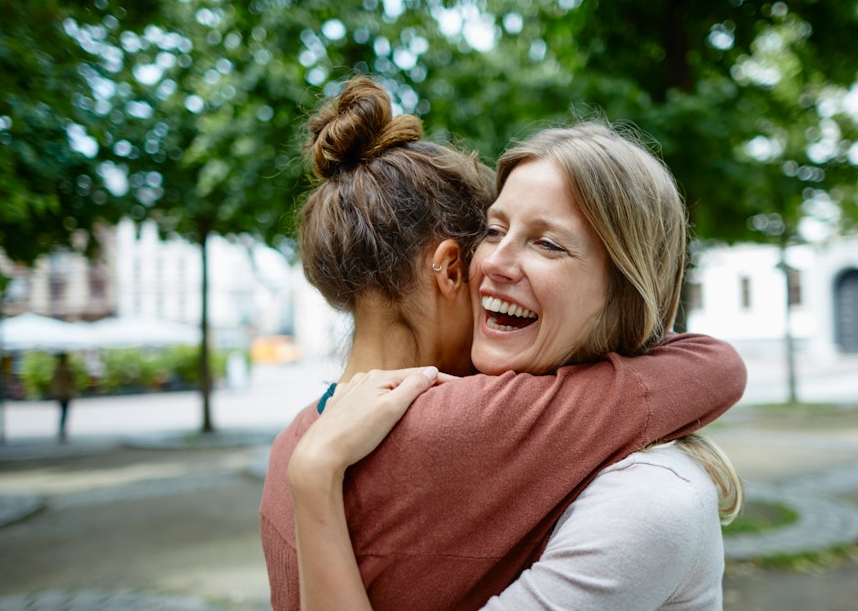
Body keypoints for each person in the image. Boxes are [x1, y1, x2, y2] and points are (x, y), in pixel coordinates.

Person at [259, 78, 746, 609]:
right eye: (492, 231)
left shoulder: (295, 444)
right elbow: (712, 365)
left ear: (624, 286)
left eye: (548, 243)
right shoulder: (488, 425)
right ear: (448, 265)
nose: (491, 262)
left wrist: (313, 474)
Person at [48, 352, 78, 443]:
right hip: (66, 393)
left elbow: (54, 382)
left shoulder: (57, 369)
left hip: (60, 393)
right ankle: (62, 430)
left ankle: (61, 430)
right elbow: (71, 382)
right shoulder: (68, 369)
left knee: (62, 412)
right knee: (64, 412)